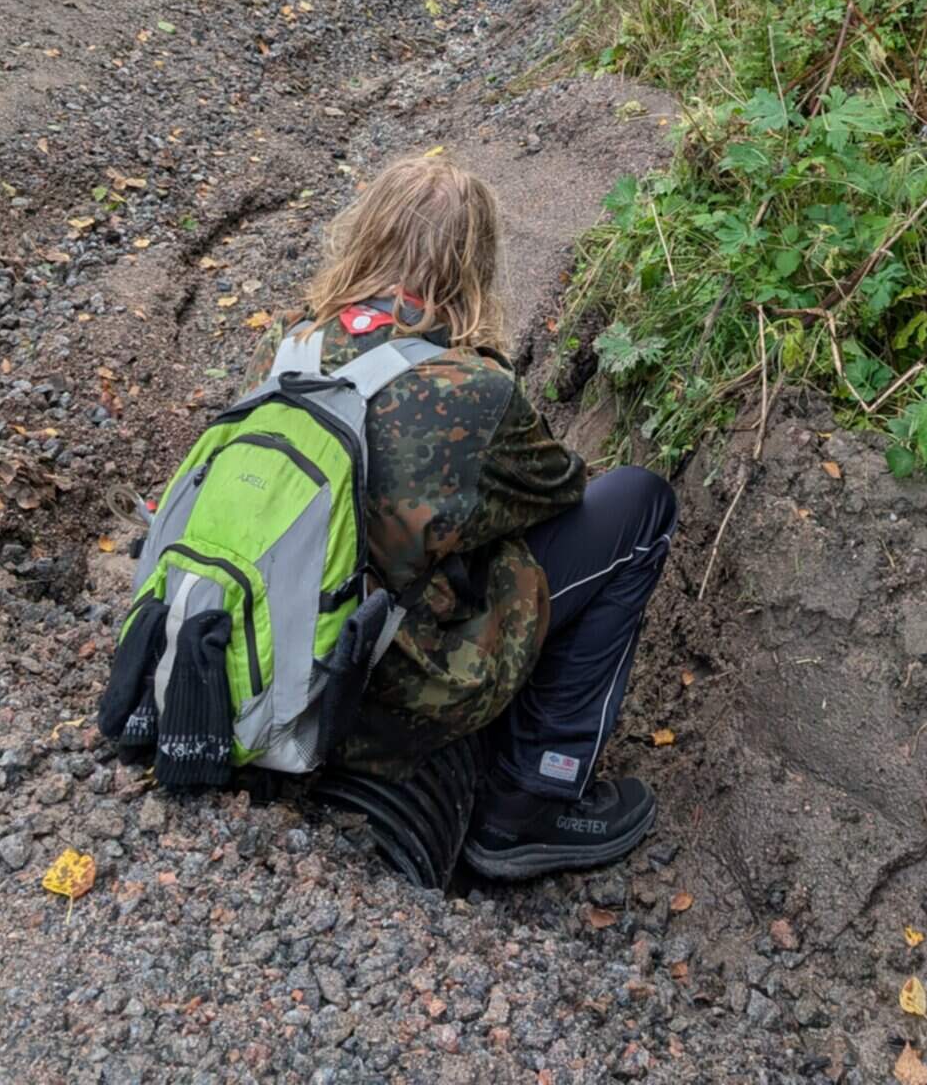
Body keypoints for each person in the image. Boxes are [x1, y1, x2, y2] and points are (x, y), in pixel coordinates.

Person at [245, 151, 676, 880]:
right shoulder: (472, 388)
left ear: (365, 235)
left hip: (274, 665)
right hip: (383, 691)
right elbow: (559, 488)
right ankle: (532, 798)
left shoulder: (291, 349)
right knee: (639, 505)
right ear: (472, 265)